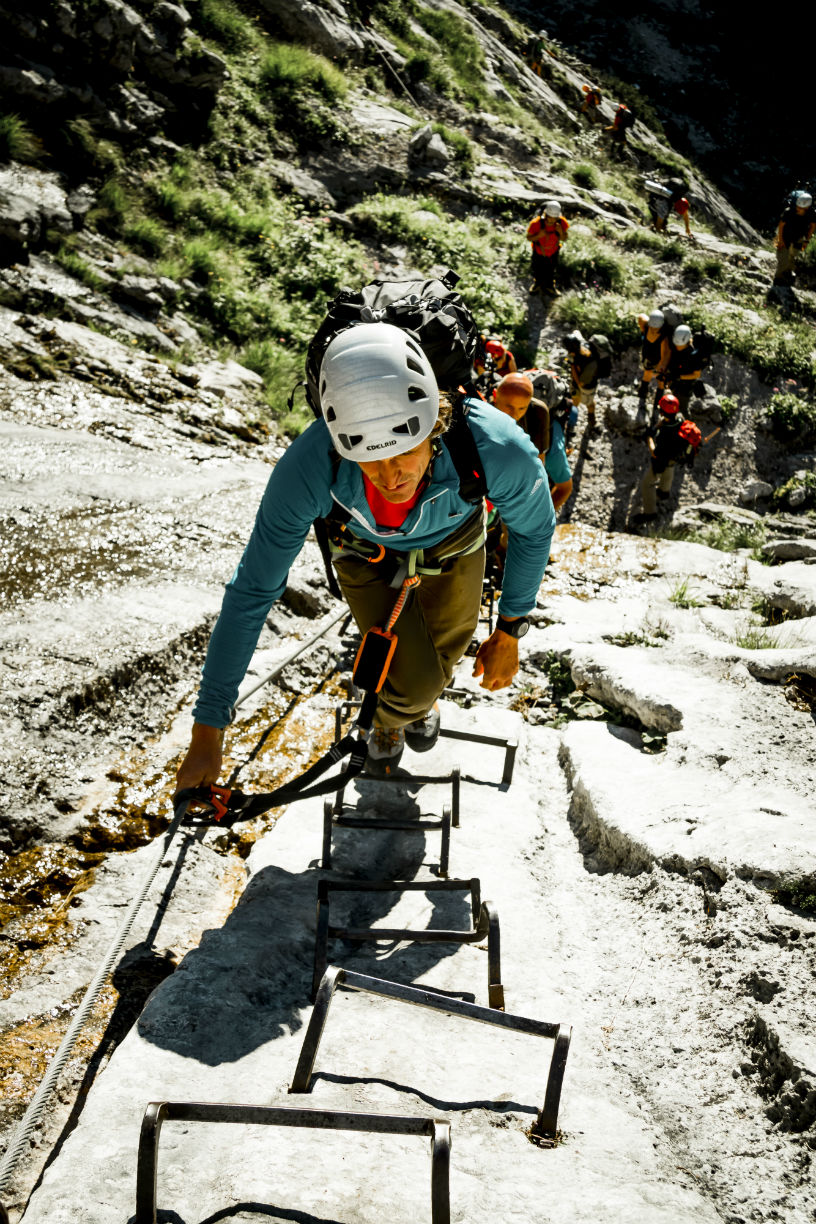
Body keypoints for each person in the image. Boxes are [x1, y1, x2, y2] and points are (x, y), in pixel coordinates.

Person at [174, 322, 555, 785]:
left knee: (442, 665)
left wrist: (510, 630)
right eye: (368, 459)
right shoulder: (312, 467)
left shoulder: (496, 447)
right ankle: (395, 717)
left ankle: (413, 705)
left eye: (403, 453)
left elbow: (534, 530)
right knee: (415, 688)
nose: (390, 476)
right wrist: (207, 732)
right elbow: (252, 591)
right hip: (363, 551)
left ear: (436, 424)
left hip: (457, 543)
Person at [493, 371, 574, 511]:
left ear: (528, 405)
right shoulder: (484, 408)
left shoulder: (539, 417)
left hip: (545, 436)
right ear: (495, 396)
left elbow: (563, 488)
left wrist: (540, 516)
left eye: (521, 408)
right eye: (509, 407)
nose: (514, 415)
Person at [633, 392, 688, 525]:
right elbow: (666, 422)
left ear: (663, 413)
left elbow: (654, 452)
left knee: (647, 483)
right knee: (669, 470)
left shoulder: (664, 435)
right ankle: (664, 492)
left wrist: (649, 438)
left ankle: (649, 513)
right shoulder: (680, 419)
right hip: (674, 456)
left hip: (662, 457)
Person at [564, 330, 611, 431]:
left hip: (586, 386)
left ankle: (591, 421)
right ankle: (576, 423)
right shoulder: (582, 345)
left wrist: (573, 367)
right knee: (575, 402)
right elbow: (576, 332)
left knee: (588, 404)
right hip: (580, 383)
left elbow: (581, 382)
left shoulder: (590, 363)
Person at [526, 200, 569, 297]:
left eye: (554, 219)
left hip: (553, 252)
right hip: (538, 252)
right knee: (537, 269)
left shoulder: (561, 222)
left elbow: (564, 238)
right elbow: (529, 238)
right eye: (549, 218)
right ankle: (537, 284)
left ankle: (550, 287)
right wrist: (539, 235)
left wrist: (560, 232)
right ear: (545, 214)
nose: (551, 221)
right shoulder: (536, 223)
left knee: (551, 270)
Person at [773, 190, 815, 286]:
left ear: (807, 208)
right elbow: (781, 225)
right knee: (783, 258)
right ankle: (778, 280)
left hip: (798, 237)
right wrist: (780, 240)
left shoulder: (811, 214)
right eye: (797, 206)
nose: (798, 208)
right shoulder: (789, 212)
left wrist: (806, 241)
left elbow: (813, 226)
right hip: (784, 235)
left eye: (800, 208)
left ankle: (788, 274)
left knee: (793, 256)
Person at [660, 324, 702, 414]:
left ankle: (686, 425)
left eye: (680, 346)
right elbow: (669, 354)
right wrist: (664, 367)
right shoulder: (674, 343)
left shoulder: (694, 355)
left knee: (682, 408)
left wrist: (679, 377)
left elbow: (697, 374)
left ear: (687, 342)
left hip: (685, 386)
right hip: (673, 379)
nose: (678, 347)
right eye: (676, 345)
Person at [636, 308, 670, 418]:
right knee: (653, 380)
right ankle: (652, 404)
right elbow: (641, 316)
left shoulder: (647, 328)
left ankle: (653, 404)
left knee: (655, 380)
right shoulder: (648, 328)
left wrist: (660, 369)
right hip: (651, 360)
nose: (654, 329)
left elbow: (664, 355)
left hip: (652, 360)